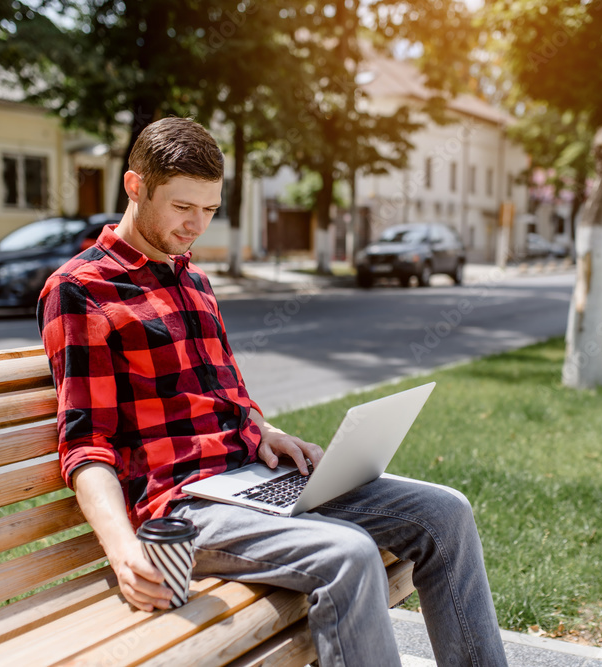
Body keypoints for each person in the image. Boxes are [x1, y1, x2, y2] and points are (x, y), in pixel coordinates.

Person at [37, 117, 508, 667]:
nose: (196, 226)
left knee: (445, 512)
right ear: (135, 186)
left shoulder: (194, 281)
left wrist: (267, 431)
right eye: (183, 207)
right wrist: (123, 550)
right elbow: (85, 441)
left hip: (255, 480)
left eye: (210, 210)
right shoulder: (80, 290)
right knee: (350, 554)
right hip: (186, 506)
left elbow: (226, 394)